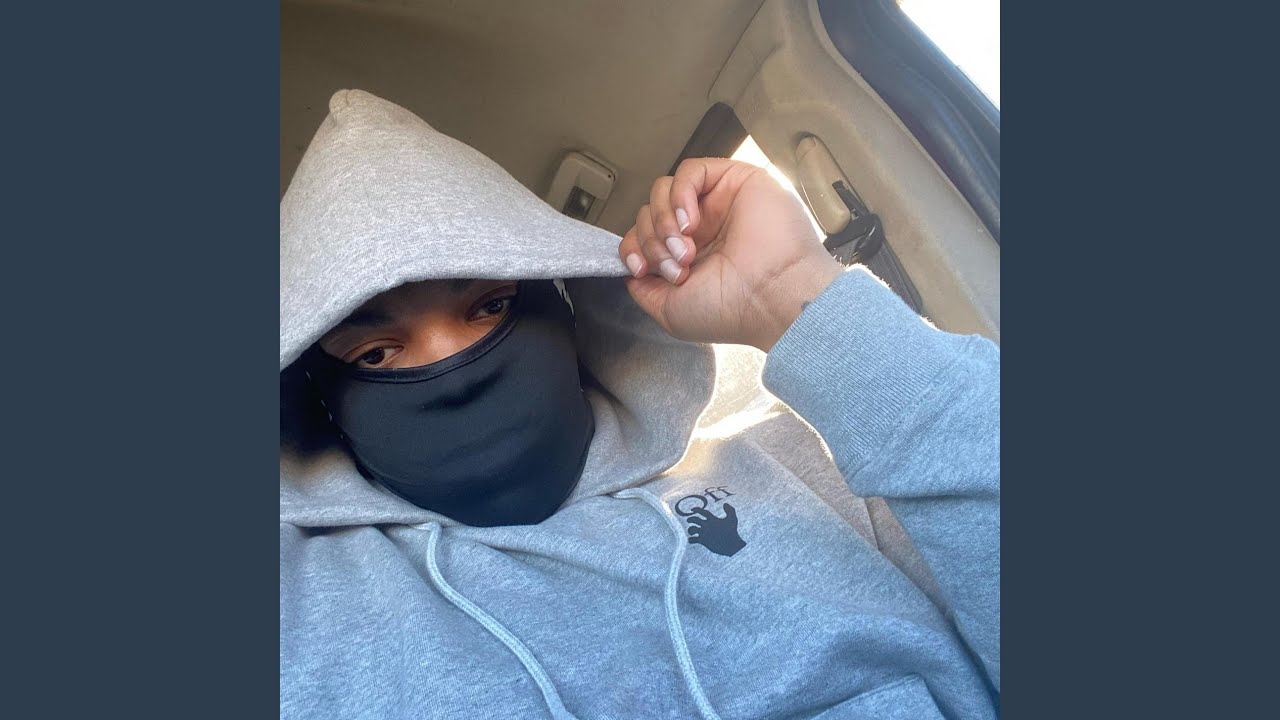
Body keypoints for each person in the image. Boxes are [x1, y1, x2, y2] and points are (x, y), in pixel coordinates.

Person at [280, 90, 999, 719]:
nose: (453, 372)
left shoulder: (811, 464)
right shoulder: (299, 604)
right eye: (374, 354)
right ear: (320, 401)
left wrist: (788, 293)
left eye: (491, 305)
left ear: (567, 307)